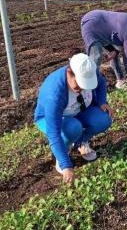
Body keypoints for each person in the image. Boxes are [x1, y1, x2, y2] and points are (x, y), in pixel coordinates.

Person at [34, 49, 113, 183]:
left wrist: (101, 101)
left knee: (104, 119)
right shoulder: (54, 94)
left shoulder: (90, 72)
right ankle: (61, 156)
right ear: (69, 73)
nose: (81, 89)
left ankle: (81, 142)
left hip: (79, 111)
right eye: (79, 85)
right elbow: (54, 133)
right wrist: (67, 166)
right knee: (73, 128)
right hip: (51, 119)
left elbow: (101, 83)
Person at [81, 10, 127, 89]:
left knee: (114, 54)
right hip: (91, 25)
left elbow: (111, 35)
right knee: (96, 57)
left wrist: (113, 50)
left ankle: (120, 80)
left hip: (97, 22)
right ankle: (89, 86)